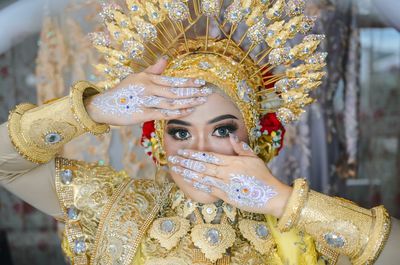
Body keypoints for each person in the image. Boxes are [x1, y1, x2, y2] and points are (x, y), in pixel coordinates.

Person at [0, 0, 398, 264]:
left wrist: (280, 201)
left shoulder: (300, 224)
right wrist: (93, 109)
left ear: (256, 135)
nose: (202, 150)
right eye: (181, 132)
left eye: (223, 129)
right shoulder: (114, 209)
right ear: (158, 139)